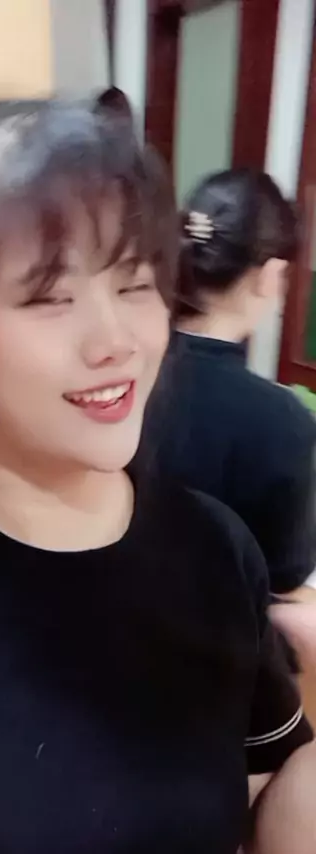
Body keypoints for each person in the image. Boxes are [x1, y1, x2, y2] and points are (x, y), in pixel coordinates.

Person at [0, 99, 313, 854]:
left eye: (134, 284)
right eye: (50, 298)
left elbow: (262, 803)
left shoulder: (219, 550)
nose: (115, 341)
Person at [143, 169, 316, 596]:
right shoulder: (280, 422)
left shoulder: (120, 373)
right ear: (270, 275)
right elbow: (284, 581)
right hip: (213, 628)